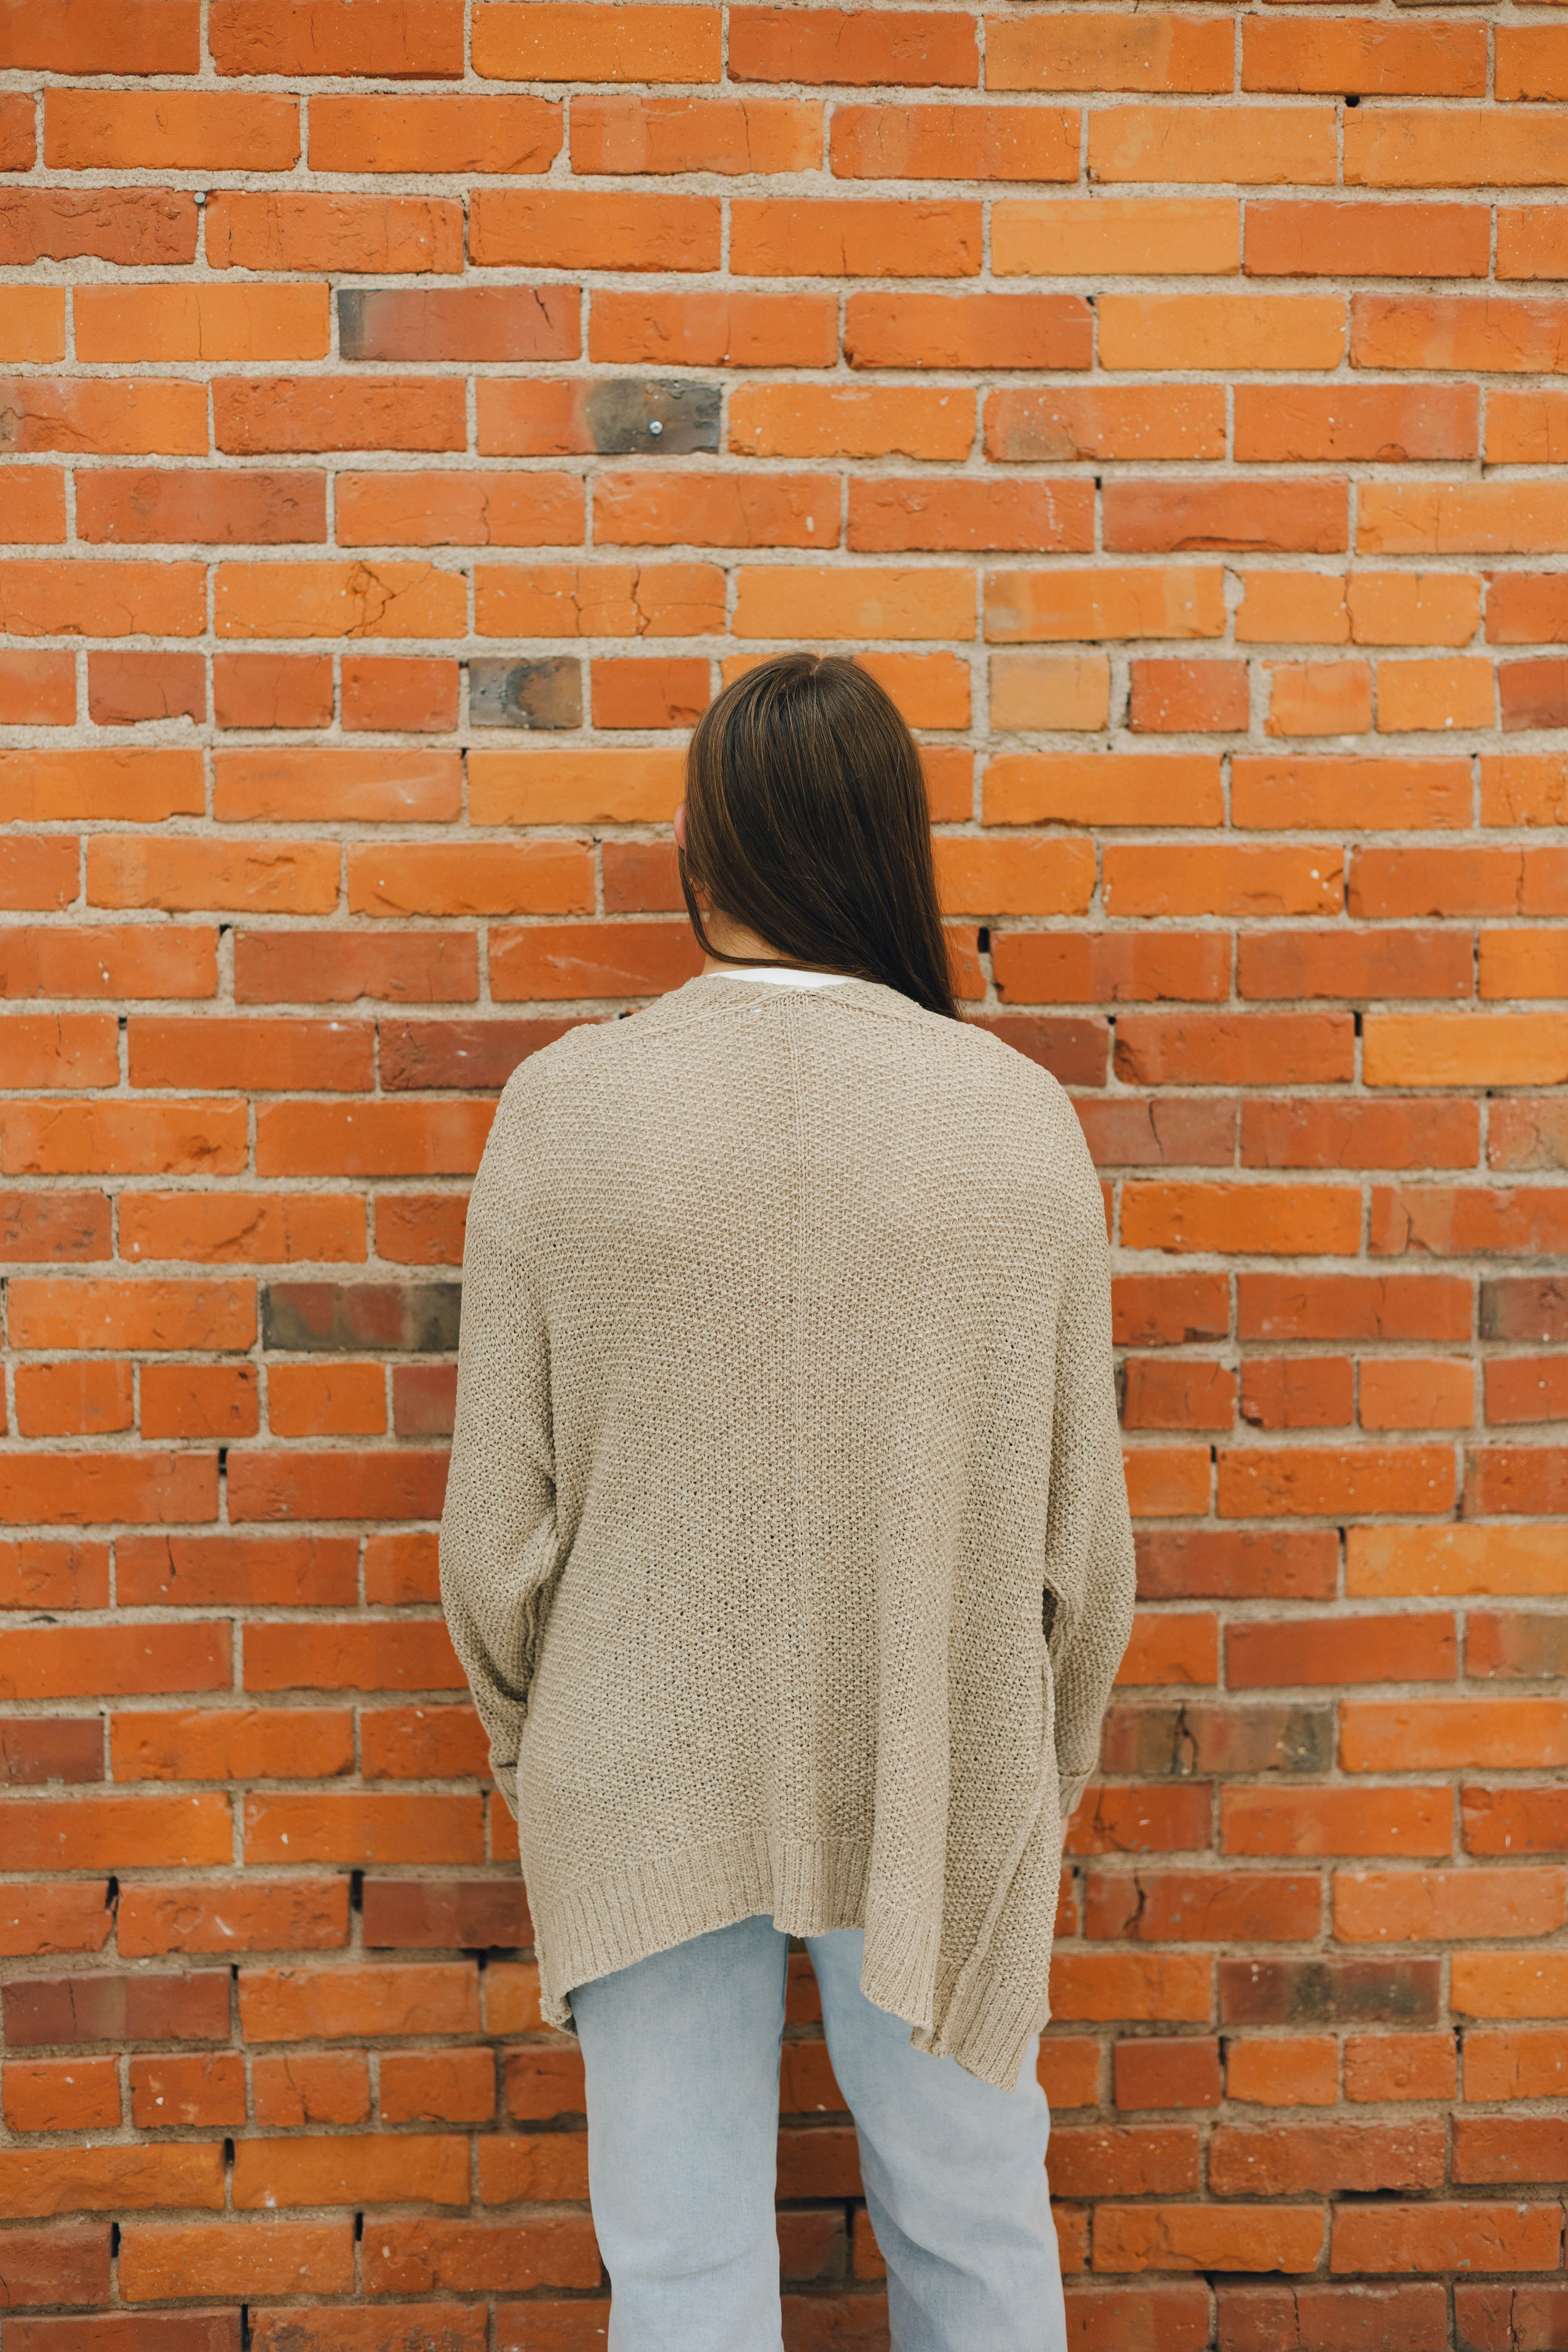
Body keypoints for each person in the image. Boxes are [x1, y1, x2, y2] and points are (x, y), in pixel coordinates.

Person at [440, 652, 1137, 2352]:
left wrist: (547, 1759)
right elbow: (1085, 1556)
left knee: (678, 2271)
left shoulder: (566, 1112)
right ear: (894, 848)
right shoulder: (1019, 1125)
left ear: (706, 845)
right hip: (941, 1753)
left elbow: (491, 1551)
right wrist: (1028, 1777)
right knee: (976, 2232)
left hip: (641, 1760)